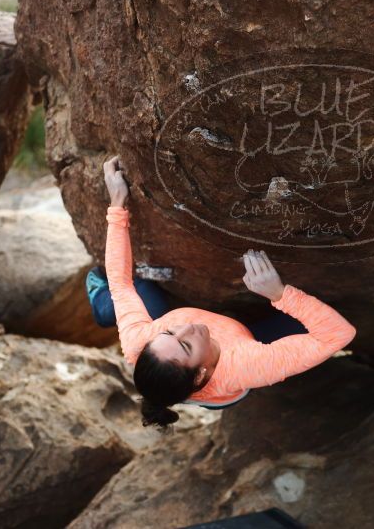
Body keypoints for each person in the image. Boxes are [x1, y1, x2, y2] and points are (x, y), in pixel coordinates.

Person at [94, 155, 357, 429]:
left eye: (168, 332)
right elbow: (339, 335)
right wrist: (280, 294)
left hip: (174, 364)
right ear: (200, 375)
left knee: (134, 290)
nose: (185, 328)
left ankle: (101, 310)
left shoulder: (140, 340)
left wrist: (117, 205)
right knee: (312, 319)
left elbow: (120, 282)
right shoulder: (244, 366)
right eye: (185, 345)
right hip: (240, 351)